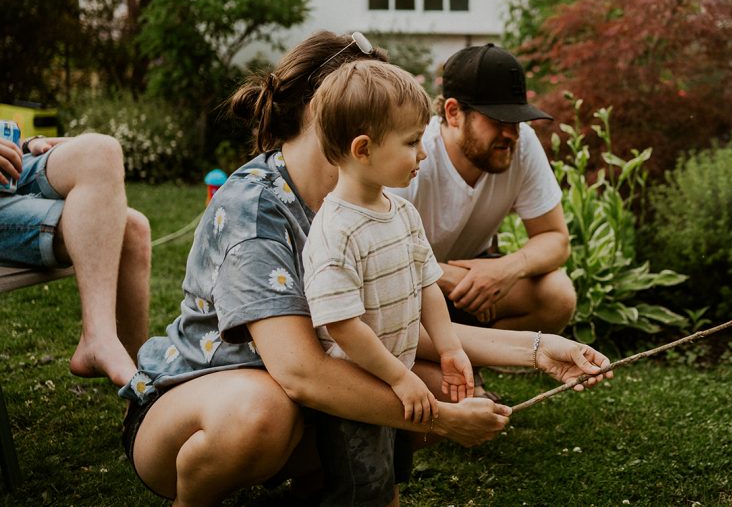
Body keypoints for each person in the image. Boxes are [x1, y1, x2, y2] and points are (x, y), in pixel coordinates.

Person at [118, 31, 611, 507]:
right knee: (263, 409)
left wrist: (542, 349)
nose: (421, 152)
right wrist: (438, 419)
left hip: (294, 402)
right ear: (336, 116)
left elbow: (393, 327)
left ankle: (317, 483)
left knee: (445, 383)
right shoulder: (257, 209)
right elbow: (301, 371)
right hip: (195, 405)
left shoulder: (367, 206)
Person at [303, 60, 474, 479]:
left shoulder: (402, 212)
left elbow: (427, 285)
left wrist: (449, 348)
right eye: (412, 141)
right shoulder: (336, 231)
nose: (424, 152)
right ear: (363, 149)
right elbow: (343, 325)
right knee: (362, 490)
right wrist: (400, 378)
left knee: (388, 478)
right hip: (357, 390)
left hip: (395, 377)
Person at [388, 44, 576, 333]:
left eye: (517, 120)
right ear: (453, 113)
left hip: (473, 284)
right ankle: (456, 363)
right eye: (498, 120)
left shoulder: (522, 143)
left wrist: (505, 270)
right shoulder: (415, 154)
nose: (511, 134)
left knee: (557, 296)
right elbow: (381, 254)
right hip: (406, 289)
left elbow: (555, 239)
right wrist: (448, 277)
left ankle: (474, 354)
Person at [0, 131, 151, 387]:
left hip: (10, 167)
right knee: (130, 229)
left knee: (100, 151)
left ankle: (140, 406)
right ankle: (100, 340)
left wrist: (25, 143)